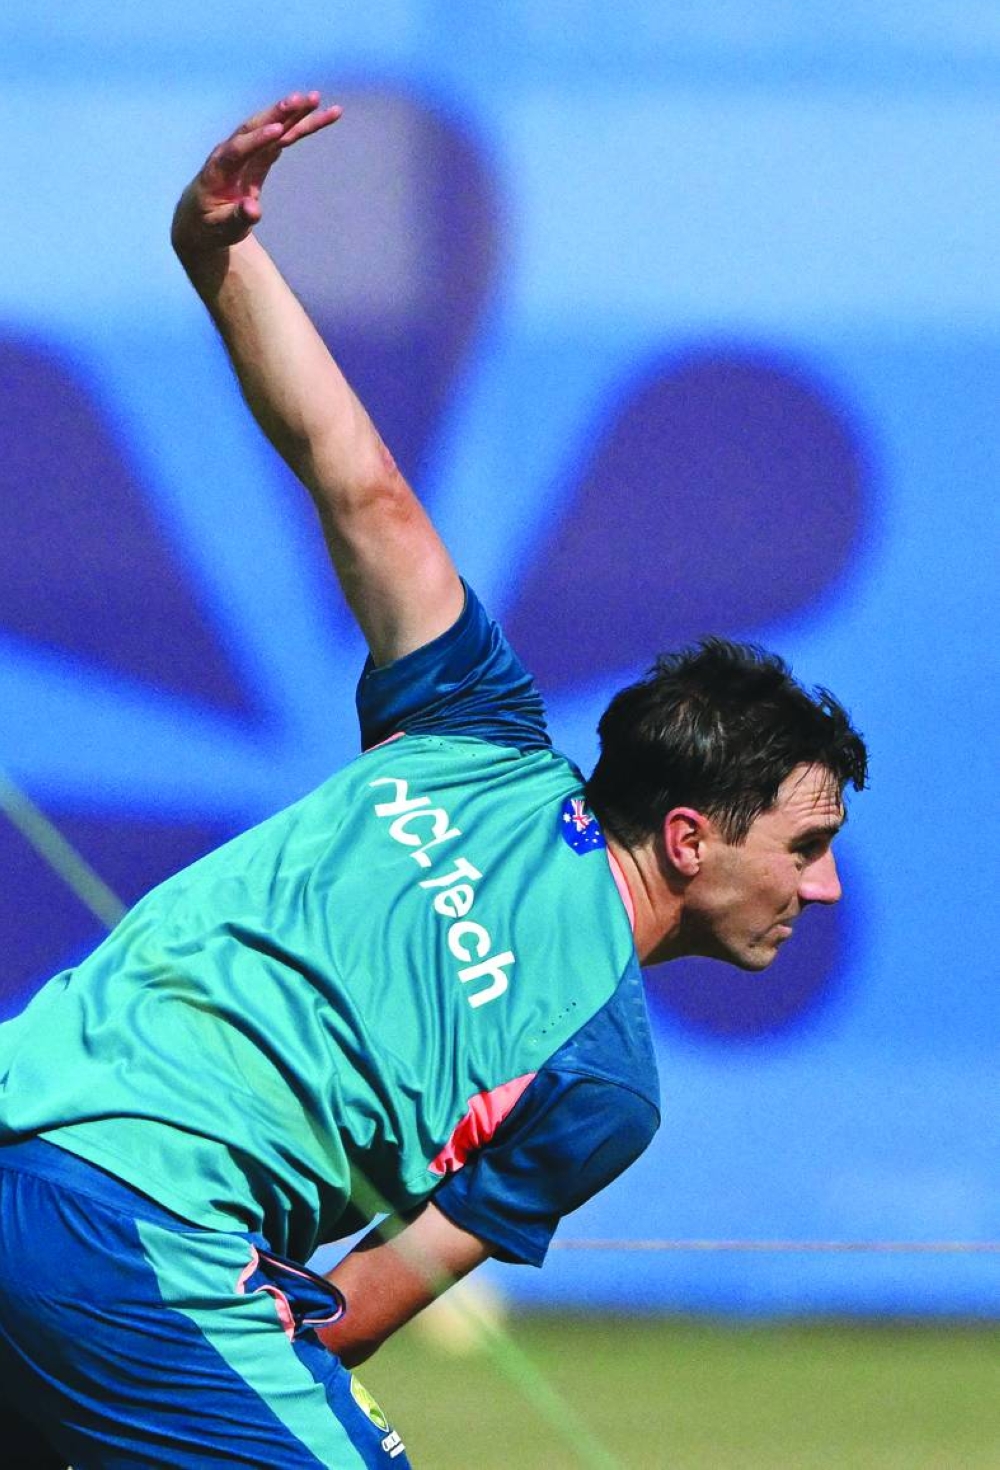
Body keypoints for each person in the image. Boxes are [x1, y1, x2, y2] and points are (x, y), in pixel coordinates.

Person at [0, 92, 867, 1468]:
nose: (822, 890)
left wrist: (219, 253)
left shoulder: (470, 724)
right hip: (144, 1240)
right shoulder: (603, 1080)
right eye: (807, 845)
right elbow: (350, 1313)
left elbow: (360, 488)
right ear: (690, 837)